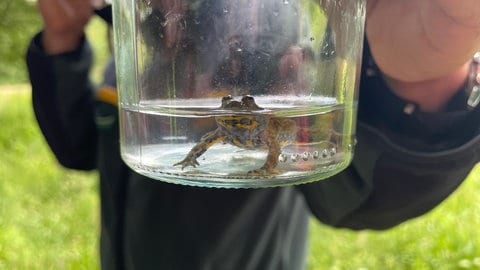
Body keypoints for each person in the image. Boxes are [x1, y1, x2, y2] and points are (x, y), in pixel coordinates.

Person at [26, 0, 480, 269]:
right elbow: (78, 149)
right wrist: (62, 43)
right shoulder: (134, 79)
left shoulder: (286, 80)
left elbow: (354, 197)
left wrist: (422, 90)